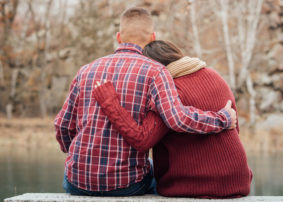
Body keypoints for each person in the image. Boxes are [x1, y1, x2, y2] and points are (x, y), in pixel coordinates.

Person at [54, 8, 237, 196]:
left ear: (118, 37)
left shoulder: (85, 71)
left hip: (77, 181)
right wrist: (222, 119)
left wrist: (79, 157)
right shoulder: (156, 72)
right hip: (126, 185)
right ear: (153, 37)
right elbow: (178, 119)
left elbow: (62, 126)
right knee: (154, 170)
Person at [93, 40, 253, 198]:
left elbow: (142, 140)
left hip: (193, 184)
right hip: (238, 181)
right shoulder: (215, 75)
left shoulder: (168, 92)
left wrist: (110, 102)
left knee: (138, 173)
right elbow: (235, 128)